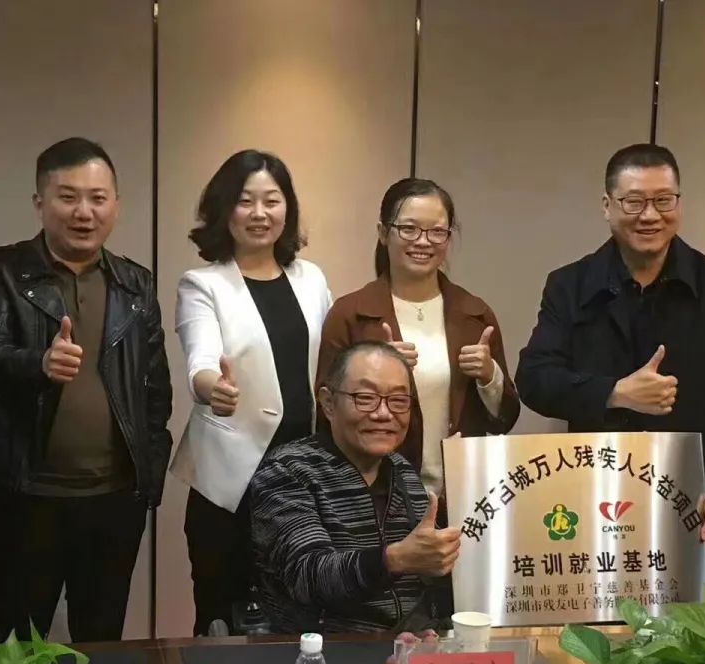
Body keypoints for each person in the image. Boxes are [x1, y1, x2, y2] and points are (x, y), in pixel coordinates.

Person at [515, 143, 705, 598]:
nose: (650, 215)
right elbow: (534, 378)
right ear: (607, 206)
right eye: (633, 201)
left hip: (695, 501)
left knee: (703, 633)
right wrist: (614, 393)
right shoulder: (570, 285)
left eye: (663, 200)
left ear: (679, 203)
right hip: (596, 498)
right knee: (598, 632)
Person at [0, 137, 172, 642]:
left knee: (100, 643)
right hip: (28, 497)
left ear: (116, 205)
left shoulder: (135, 284)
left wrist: (148, 478)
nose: (84, 212)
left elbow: (155, 391)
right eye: (68, 196)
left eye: (98, 198)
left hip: (114, 500)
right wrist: (37, 363)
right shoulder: (2, 271)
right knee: (18, 646)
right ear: (40, 203)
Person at [171, 149, 332, 635]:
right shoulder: (203, 284)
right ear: (224, 210)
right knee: (224, 618)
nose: (259, 213)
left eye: (272, 200)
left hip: (302, 477)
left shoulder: (311, 279)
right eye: (245, 201)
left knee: (299, 616)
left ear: (288, 209)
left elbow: (334, 359)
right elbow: (200, 359)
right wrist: (211, 388)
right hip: (229, 485)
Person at [317, 177, 519, 499]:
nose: (423, 241)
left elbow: (504, 419)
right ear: (383, 233)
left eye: (437, 231)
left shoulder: (475, 314)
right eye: (409, 229)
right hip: (375, 493)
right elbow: (325, 414)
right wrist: (374, 368)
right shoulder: (350, 314)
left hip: (461, 494)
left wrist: (489, 376)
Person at [252, 341, 461, 633]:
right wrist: (395, 559)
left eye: (398, 400)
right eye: (365, 398)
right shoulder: (287, 470)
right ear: (328, 402)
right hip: (320, 650)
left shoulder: (402, 471)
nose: (384, 413)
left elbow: (427, 575)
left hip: (404, 648)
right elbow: (307, 574)